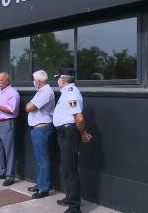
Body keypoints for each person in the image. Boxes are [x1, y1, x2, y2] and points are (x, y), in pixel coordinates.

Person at [53, 68, 92, 213]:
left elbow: (79, 117)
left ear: (63, 79)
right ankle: (70, 197)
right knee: (67, 167)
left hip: (69, 134)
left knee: (70, 169)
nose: (57, 81)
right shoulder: (67, 93)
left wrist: (82, 133)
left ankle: (75, 206)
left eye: (58, 78)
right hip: (64, 133)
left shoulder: (70, 94)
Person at [25, 70, 55, 199]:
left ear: (38, 81)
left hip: (42, 129)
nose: (33, 82)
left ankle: (44, 188)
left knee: (43, 159)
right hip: (37, 129)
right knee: (39, 159)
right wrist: (29, 105)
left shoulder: (46, 92)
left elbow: (29, 107)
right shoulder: (40, 92)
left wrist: (29, 105)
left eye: (33, 80)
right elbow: (30, 106)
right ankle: (40, 183)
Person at [0, 72, 20, 186]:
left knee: (9, 150)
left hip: (6, 123)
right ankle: (1, 171)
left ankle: (10, 176)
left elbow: (11, 110)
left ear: (7, 81)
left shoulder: (13, 93)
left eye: (1, 80)